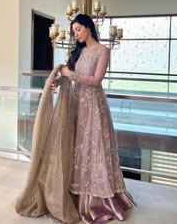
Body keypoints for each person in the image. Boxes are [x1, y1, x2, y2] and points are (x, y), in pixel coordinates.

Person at [52, 14, 136, 224]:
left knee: (95, 148)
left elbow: (96, 80)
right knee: (78, 147)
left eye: (78, 29)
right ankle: (77, 193)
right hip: (77, 104)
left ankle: (98, 200)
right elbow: (68, 76)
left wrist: (69, 75)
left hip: (94, 107)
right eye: (74, 31)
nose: (76, 34)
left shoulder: (102, 51)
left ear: (89, 27)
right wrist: (58, 82)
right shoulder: (78, 52)